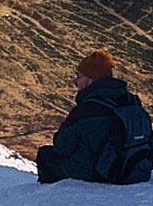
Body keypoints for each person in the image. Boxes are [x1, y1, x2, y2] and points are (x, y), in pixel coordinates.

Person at [37, 49, 139, 184]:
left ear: (91, 78)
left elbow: (62, 146)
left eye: (78, 76)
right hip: (132, 167)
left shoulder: (86, 109)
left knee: (46, 155)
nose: (75, 81)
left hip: (97, 172)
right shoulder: (131, 100)